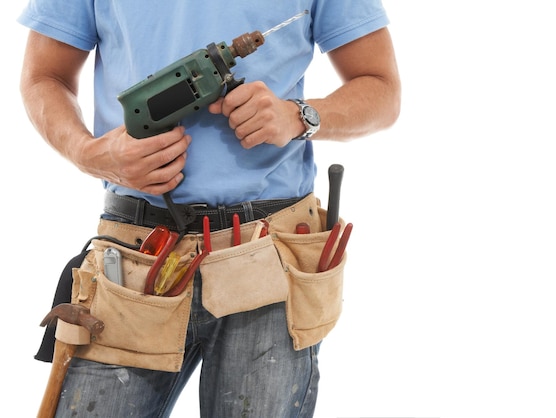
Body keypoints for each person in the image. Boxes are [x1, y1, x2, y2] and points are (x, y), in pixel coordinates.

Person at [18, 1, 401, 416]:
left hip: (270, 258)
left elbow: (381, 89)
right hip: (133, 259)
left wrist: (298, 117)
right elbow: (44, 75)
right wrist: (88, 153)